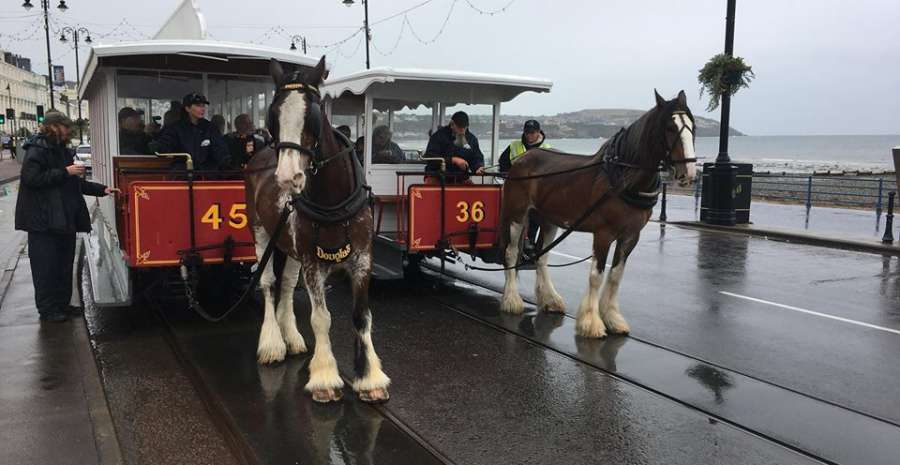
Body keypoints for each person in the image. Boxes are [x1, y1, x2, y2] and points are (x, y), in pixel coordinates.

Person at [15, 111, 118, 322]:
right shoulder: (37, 149)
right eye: (65, 126)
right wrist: (66, 172)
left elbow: (74, 183)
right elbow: (31, 179)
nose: (68, 130)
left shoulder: (61, 151)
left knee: (63, 264)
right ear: (53, 127)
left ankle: (62, 304)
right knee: (46, 267)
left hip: (63, 218)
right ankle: (47, 309)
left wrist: (102, 189)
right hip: (44, 221)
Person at [148, 92, 232, 171]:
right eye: (198, 105)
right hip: (183, 176)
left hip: (207, 175)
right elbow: (167, 144)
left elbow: (220, 149)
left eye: (203, 106)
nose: (202, 109)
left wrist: (225, 160)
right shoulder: (176, 128)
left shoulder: (210, 128)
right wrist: (157, 146)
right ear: (187, 108)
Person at [424, 111, 484, 183]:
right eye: (458, 127)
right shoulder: (438, 136)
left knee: (473, 190)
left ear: (467, 126)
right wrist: (453, 160)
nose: (461, 130)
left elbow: (476, 157)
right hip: (437, 176)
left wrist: (478, 167)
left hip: (460, 178)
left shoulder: (472, 139)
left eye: (464, 127)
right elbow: (430, 156)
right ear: (452, 124)